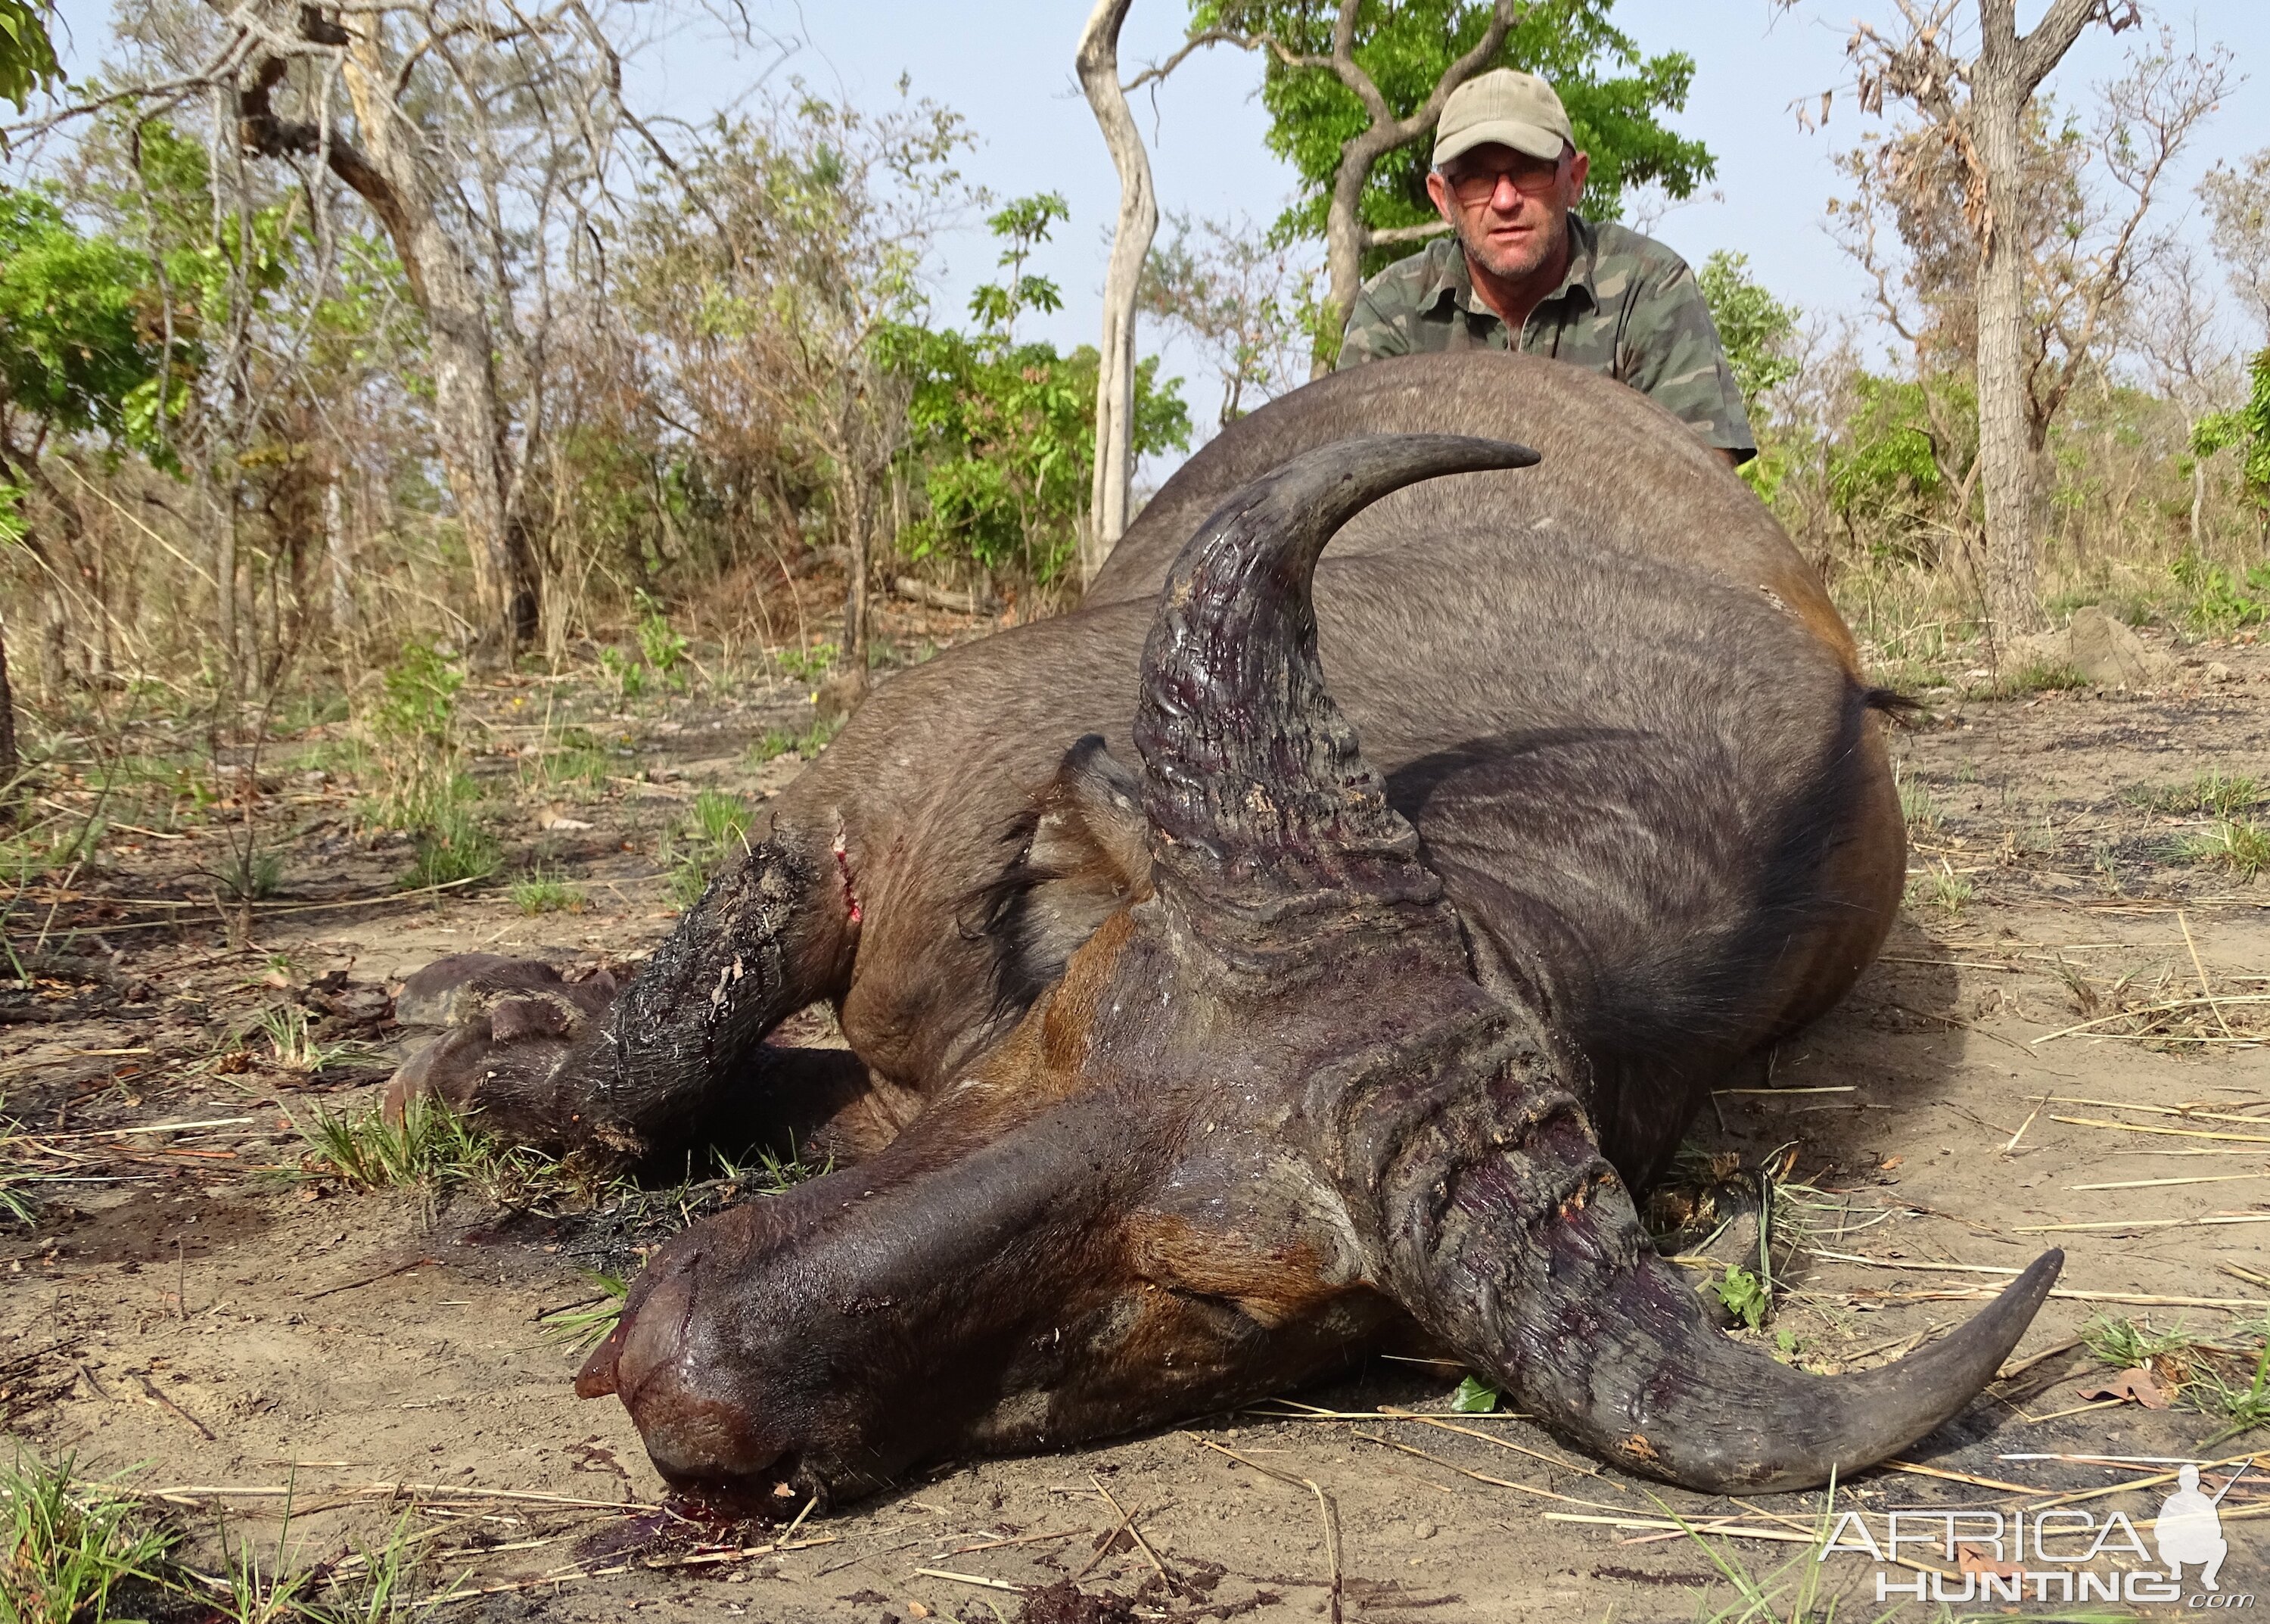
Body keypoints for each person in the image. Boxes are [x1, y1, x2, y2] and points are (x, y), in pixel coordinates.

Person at [1337, 68, 1755, 468]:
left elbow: (1703, 485)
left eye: (1530, 170)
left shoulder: (1648, 286)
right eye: (1475, 179)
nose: (1505, 201)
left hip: (1610, 540)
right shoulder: (1392, 310)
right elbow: (1351, 477)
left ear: (1575, 179)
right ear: (1442, 198)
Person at [2153, 1463, 2229, 1590]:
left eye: (2193, 1479)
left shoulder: (2205, 1502)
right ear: (2181, 1481)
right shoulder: (2173, 1501)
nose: (2189, 1482)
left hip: (2199, 1548)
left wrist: (2200, 1530)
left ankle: (2209, 1577)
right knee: (2163, 1544)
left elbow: (2217, 1531)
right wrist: (2179, 1531)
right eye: (2186, 1479)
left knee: (2221, 1545)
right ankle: (2176, 1568)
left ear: (2198, 1481)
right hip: (2177, 1548)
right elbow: (2160, 1530)